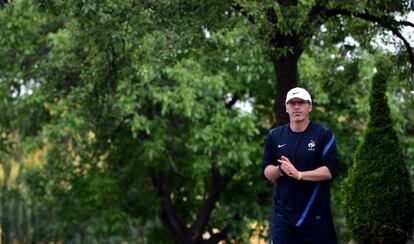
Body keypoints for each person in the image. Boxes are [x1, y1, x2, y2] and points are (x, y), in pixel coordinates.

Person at [260, 87, 339, 244]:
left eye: (301, 103)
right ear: (286, 108)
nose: (296, 107)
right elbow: (265, 172)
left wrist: (299, 175)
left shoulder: (323, 134)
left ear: (309, 107)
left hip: (317, 218)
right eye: (292, 103)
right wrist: (280, 169)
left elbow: (331, 170)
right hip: (283, 219)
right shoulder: (274, 136)